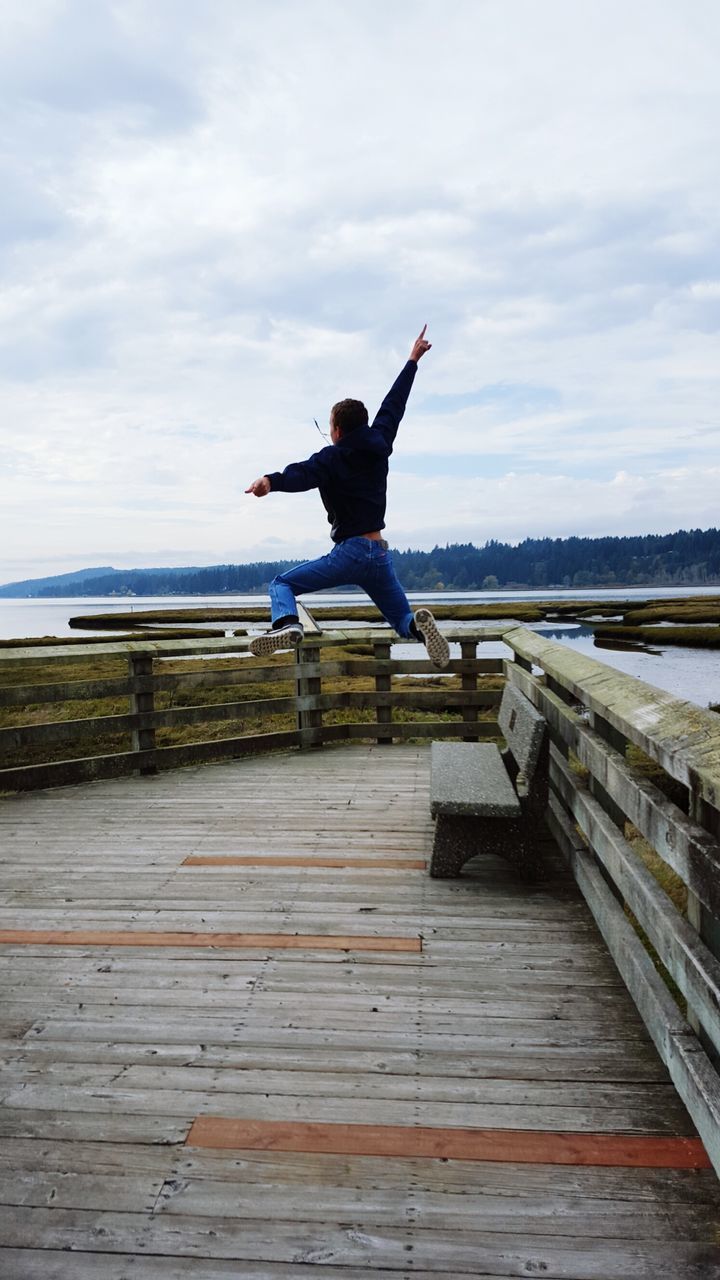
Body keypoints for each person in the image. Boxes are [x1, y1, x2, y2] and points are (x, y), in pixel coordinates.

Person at [245, 325, 450, 668]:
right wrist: (412, 360)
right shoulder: (380, 444)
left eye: (330, 426)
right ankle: (420, 626)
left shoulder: (331, 457)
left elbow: (301, 474)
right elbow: (393, 406)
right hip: (379, 554)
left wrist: (269, 481)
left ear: (337, 430)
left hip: (351, 553)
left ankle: (288, 625)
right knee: (401, 620)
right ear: (364, 425)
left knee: (282, 584)